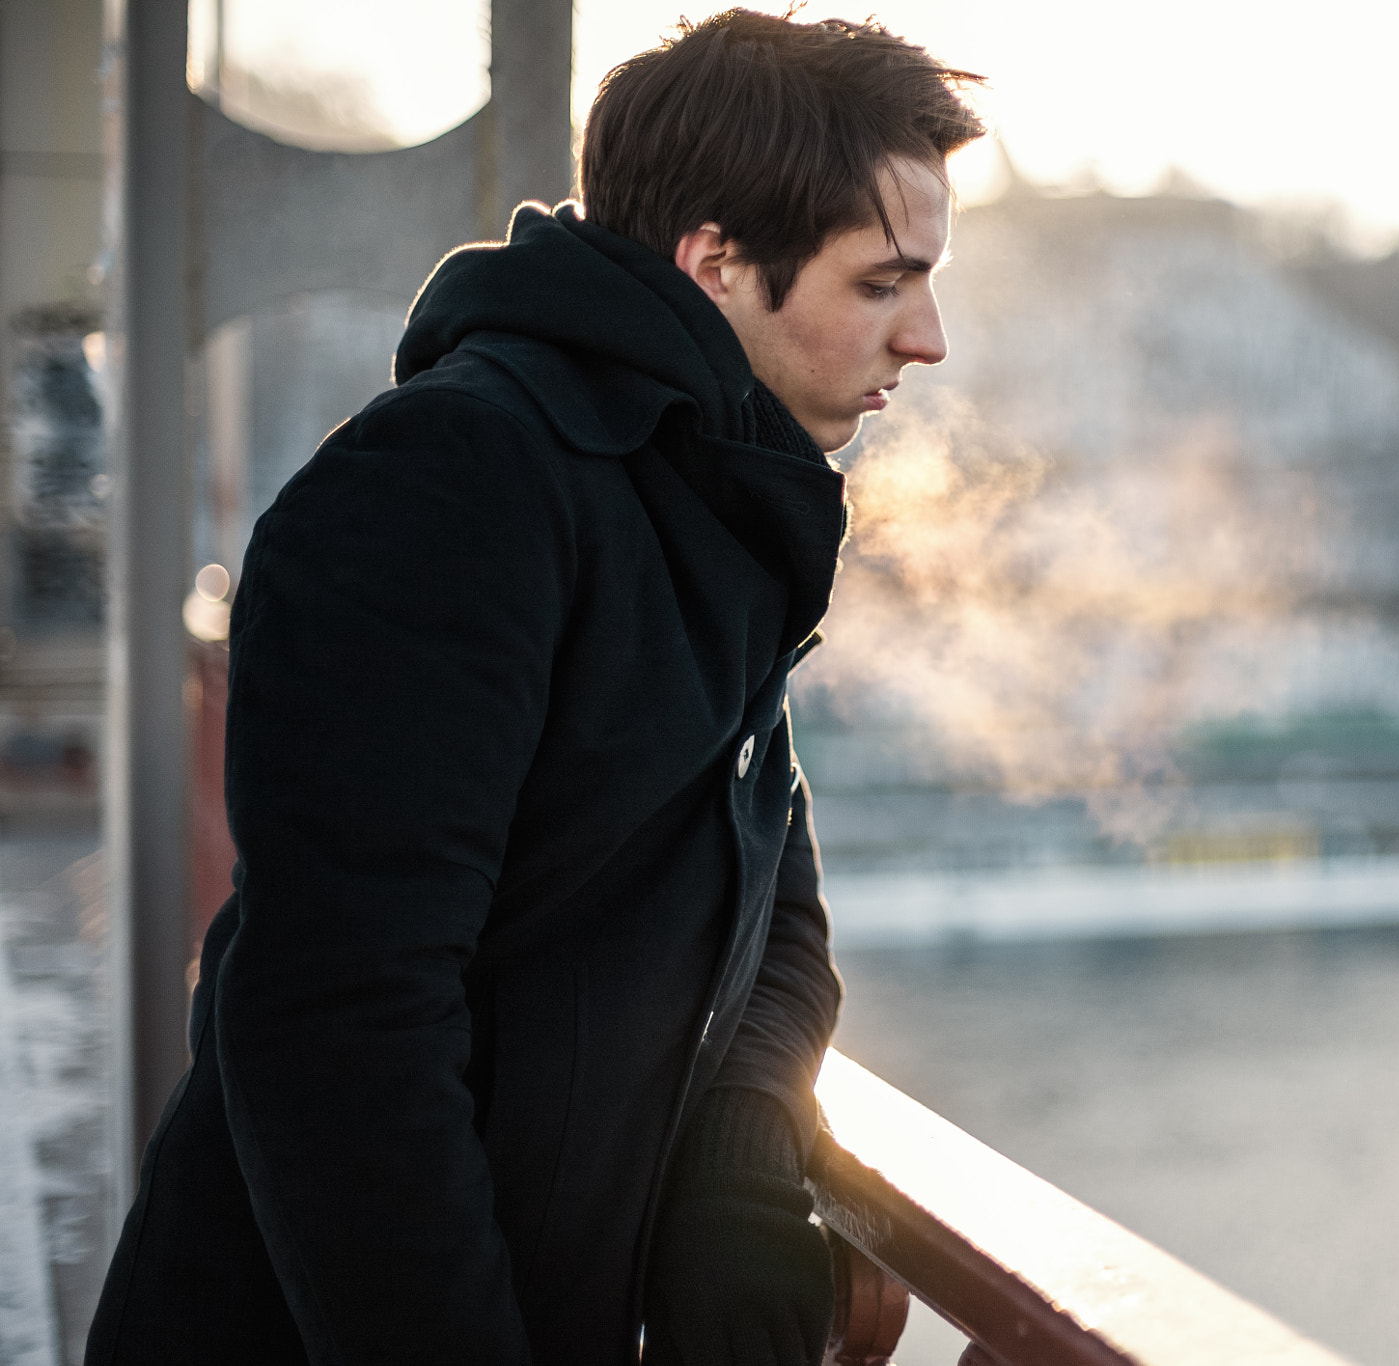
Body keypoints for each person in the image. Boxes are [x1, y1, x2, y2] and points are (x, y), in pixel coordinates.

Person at [84, 11, 983, 1364]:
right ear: (717, 264)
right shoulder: (448, 488)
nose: (929, 337)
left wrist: (737, 1185)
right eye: (883, 283)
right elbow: (337, 1017)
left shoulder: (718, 506)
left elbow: (774, 923)